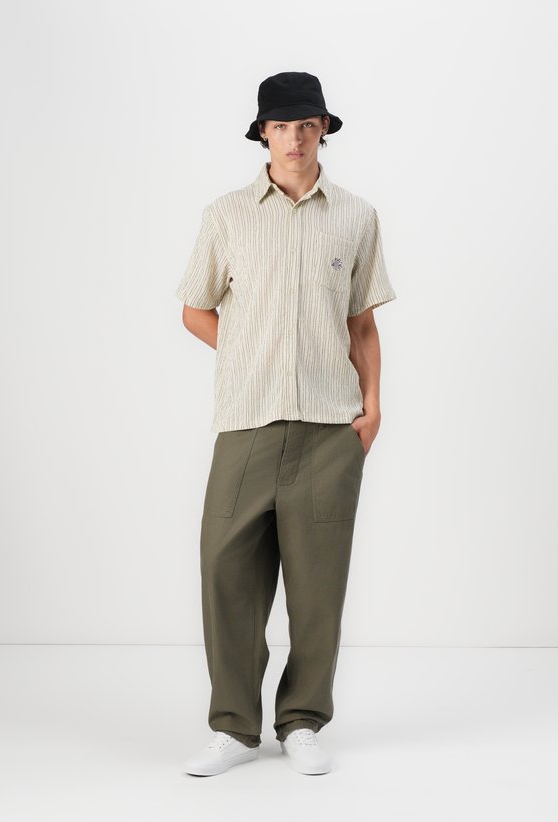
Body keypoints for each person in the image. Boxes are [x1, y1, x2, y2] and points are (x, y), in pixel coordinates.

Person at [176, 71, 397, 776]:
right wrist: (251, 357)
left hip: (331, 428)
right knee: (226, 571)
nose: (295, 138)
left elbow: (362, 324)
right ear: (263, 134)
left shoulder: (356, 217)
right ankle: (234, 728)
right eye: (281, 126)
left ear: (323, 129)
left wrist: (372, 408)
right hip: (246, 422)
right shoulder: (227, 215)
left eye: (307, 125)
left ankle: (302, 721)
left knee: (318, 587)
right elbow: (195, 309)